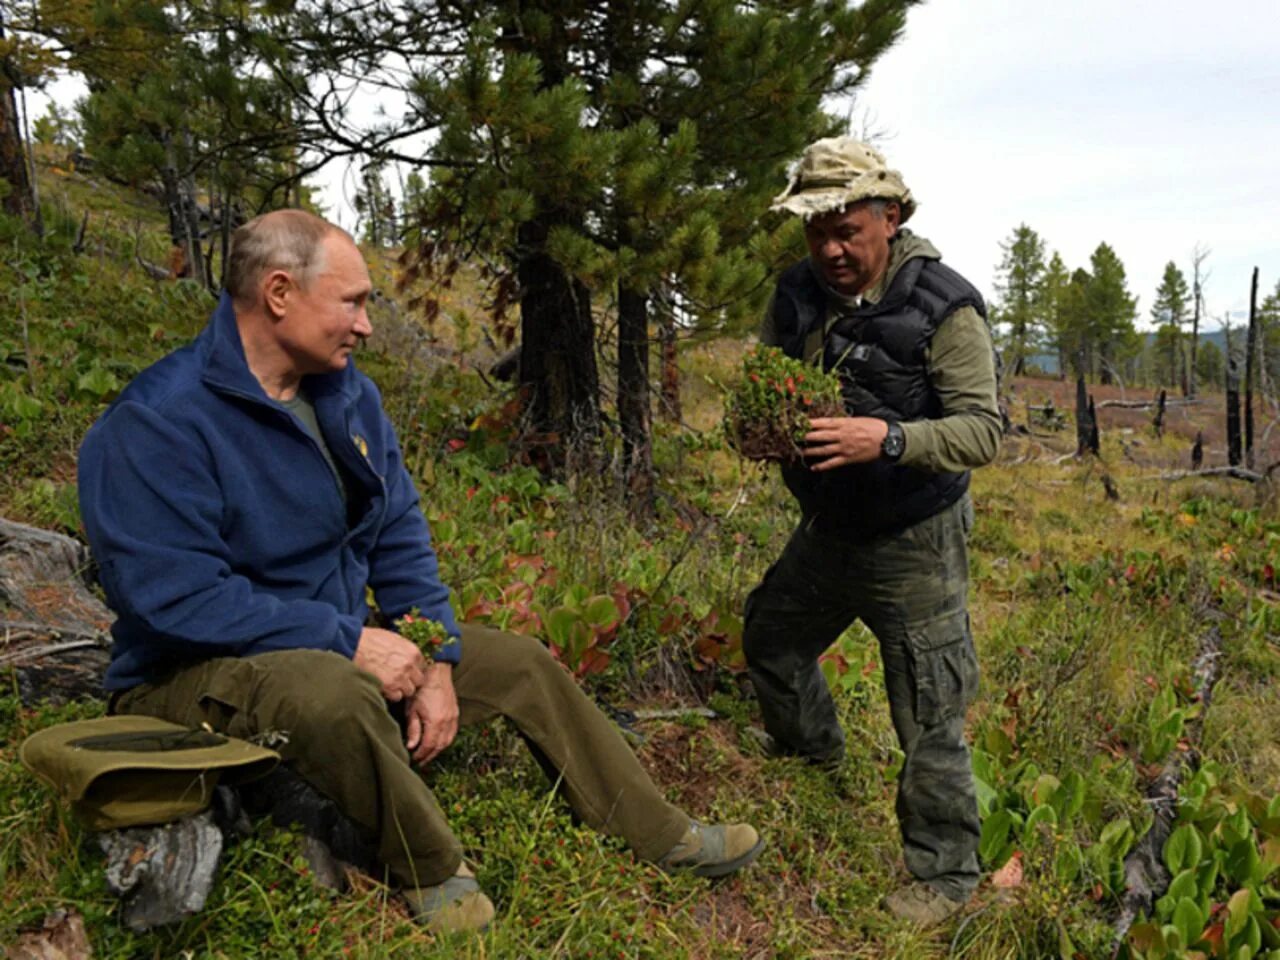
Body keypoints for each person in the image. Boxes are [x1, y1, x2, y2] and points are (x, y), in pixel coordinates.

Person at [78, 209, 763, 934]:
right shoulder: (157, 421)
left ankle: (660, 832)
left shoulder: (346, 396)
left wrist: (433, 655)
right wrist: (347, 640)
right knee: (331, 690)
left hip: (323, 644)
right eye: (353, 302)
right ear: (279, 293)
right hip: (188, 675)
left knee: (519, 663)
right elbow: (172, 600)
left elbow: (398, 535)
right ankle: (432, 870)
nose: (367, 325)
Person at [743, 138, 1001, 927]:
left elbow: (983, 432)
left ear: (890, 217)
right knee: (772, 636)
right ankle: (812, 760)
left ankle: (947, 877)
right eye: (815, 231)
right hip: (828, 528)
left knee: (927, 710)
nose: (829, 249)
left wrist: (884, 438)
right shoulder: (795, 294)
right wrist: (763, 428)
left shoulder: (945, 307)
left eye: (846, 229)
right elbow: (766, 378)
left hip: (914, 539)